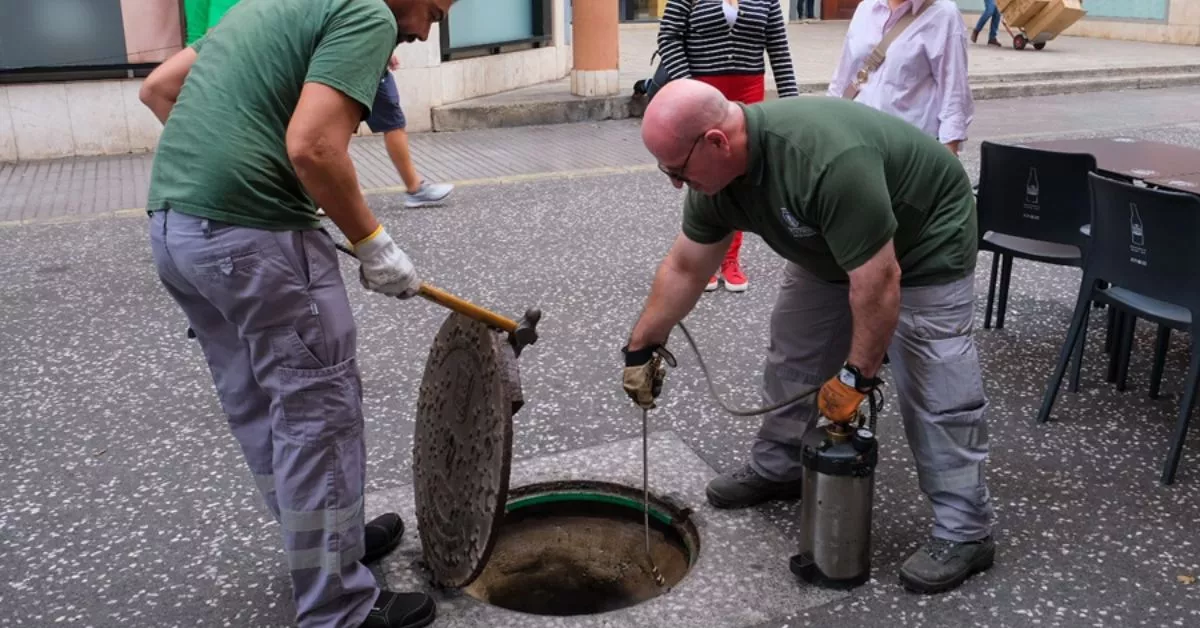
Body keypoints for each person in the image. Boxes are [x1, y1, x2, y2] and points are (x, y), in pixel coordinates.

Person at [138, 0, 456, 626]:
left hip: (177, 232)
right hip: (256, 245)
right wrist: (373, 243)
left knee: (261, 406)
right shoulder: (367, 12)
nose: (423, 32)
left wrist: (232, 172)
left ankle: (328, 548)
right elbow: (313, 146)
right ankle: (337, 606)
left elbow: (160, 89)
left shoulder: (268, 5)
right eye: (435, 10)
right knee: (318, 418)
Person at [622, 79, 996, 595]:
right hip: (831, 245)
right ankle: (779, 468)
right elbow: (687, 267)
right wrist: (641, 345)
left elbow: (879, 281)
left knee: (935, 381)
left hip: (925, 236)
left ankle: (965, 529)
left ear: (716, 141)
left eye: (678, 171)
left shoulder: (824, 162)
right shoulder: (717, 181)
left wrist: (857, 376)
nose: (675, 185)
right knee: (794, 352)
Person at [657, 0, 799, 293]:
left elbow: (778, 47)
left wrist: (793, 106)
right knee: (703, 176)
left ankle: (731, 259)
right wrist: (690, 89)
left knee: (742, 177)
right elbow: (668, 37)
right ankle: (704, 257)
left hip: (749, 93)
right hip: (702, 93)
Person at [828, 0, 974, 157]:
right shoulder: (866, 8)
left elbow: (954, 92)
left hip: (908, 150)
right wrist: (827, 127)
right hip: (858, 142)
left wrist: (948, 152)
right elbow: (843, 78)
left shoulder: (943, 14)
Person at [366, 55, 455, 208]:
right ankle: (415, 189)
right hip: (363, 63)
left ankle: (324, 196)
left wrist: (385, 49)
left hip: (364, 63)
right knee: (392, 121)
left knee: (339, 128)